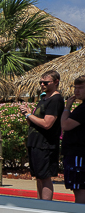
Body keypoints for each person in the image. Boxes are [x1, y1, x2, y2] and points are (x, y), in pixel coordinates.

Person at [19, 70, 64, 200]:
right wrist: (27, 114)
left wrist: (29, 115)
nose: (42, 85)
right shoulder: (44, 98)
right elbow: (33, 123)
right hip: (35, 143)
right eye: (40, 82)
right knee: (38, 177)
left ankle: (46, 206)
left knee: (45, 177)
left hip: (46, 144)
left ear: (56, 82)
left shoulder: (56, 100)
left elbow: (46, 124)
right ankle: (40, 204)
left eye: (45, 82)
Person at [60, 75, 85, 204]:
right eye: (75, 88)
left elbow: (65, 125)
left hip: (78, 153)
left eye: (81, 88)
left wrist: (67, 108)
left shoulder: (83, 109)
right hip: (76, 152)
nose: (76, 91)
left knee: (80, 187)